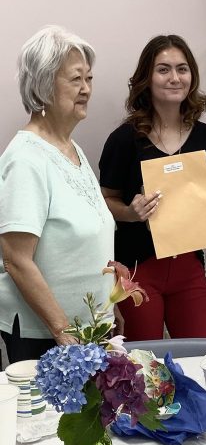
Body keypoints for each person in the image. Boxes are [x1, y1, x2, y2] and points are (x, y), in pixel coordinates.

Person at [99, 34, 206, 341]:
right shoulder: (124, 140)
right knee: (142, 368)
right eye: (163, 69)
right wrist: (132, 213)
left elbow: (202, 196)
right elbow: (104, 200)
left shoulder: (204, 136)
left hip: (188, 265)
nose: (175, 78)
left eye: (182, 69)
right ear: (147, 78)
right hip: (138, 269)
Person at [0, 26, 115, 363]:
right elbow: (17, 259)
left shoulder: (71, 148)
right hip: (48, 338)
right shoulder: (25, 159)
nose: (87, 90)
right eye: (76, 79)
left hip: (87, 330)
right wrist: (62, 329)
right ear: (44, 83)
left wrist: (109, 306)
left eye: (89, 79)